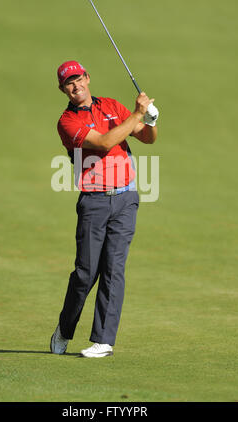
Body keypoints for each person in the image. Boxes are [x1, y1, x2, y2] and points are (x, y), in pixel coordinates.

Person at [50, 60, 159, 357]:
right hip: (94, 201)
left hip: (125, 199)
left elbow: (147, 138)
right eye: (69, 83)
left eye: (79, 79)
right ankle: (65, 328)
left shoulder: (111, 105)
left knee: (113, 269)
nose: (76, 86)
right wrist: (137, 113)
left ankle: (103, 341)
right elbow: (106, 141)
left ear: (87, 77)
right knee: (85, 273)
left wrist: (149, 120)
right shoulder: (67, 122)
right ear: (63, 90)